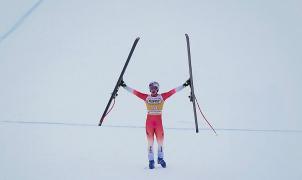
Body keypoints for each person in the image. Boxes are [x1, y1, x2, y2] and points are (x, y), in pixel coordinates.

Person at [120, 79, 190, 169]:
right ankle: (151, 160)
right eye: (151, 88)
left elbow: (173, 91)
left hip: (158, 124)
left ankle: (160, 158)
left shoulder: (162, 97)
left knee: (160, 142)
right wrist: (124, 86)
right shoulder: (146, 97)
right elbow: (135, 92)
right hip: (149, 123)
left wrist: (184, 85)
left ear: (157, 89)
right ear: (149, 89)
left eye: (155, 88)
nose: (153, 90)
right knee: (150, 142)